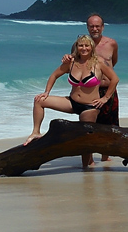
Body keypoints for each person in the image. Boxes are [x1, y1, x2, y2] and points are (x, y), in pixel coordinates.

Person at [23, 34, 119, 168]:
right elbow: (54, 75)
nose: (84, 48)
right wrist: (46, 92)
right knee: (39, 101)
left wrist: (105, 98)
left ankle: (87, 167)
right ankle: (36, 132)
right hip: (72, 102)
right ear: (76, 47)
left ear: (91, 47)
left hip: (89, 107)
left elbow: (115, 79)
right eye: (81, 45)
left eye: (87, 45)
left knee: (85, 137)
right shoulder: (71, 63)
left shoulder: (98, 63)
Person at [62, 13, 119, 162]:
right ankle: (89, 159)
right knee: (88, 127)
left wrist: (106, 93)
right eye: (91, 26)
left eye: (97, 26)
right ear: (87, 27)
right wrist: (67, 57)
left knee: (109, 125)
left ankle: (105, 158)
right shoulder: (78, 45)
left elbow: (113, 63)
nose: (94, 29)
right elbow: (74, 62)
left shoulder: (111, 43)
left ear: (103, 27)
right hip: (88, 91)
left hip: (107, 91)